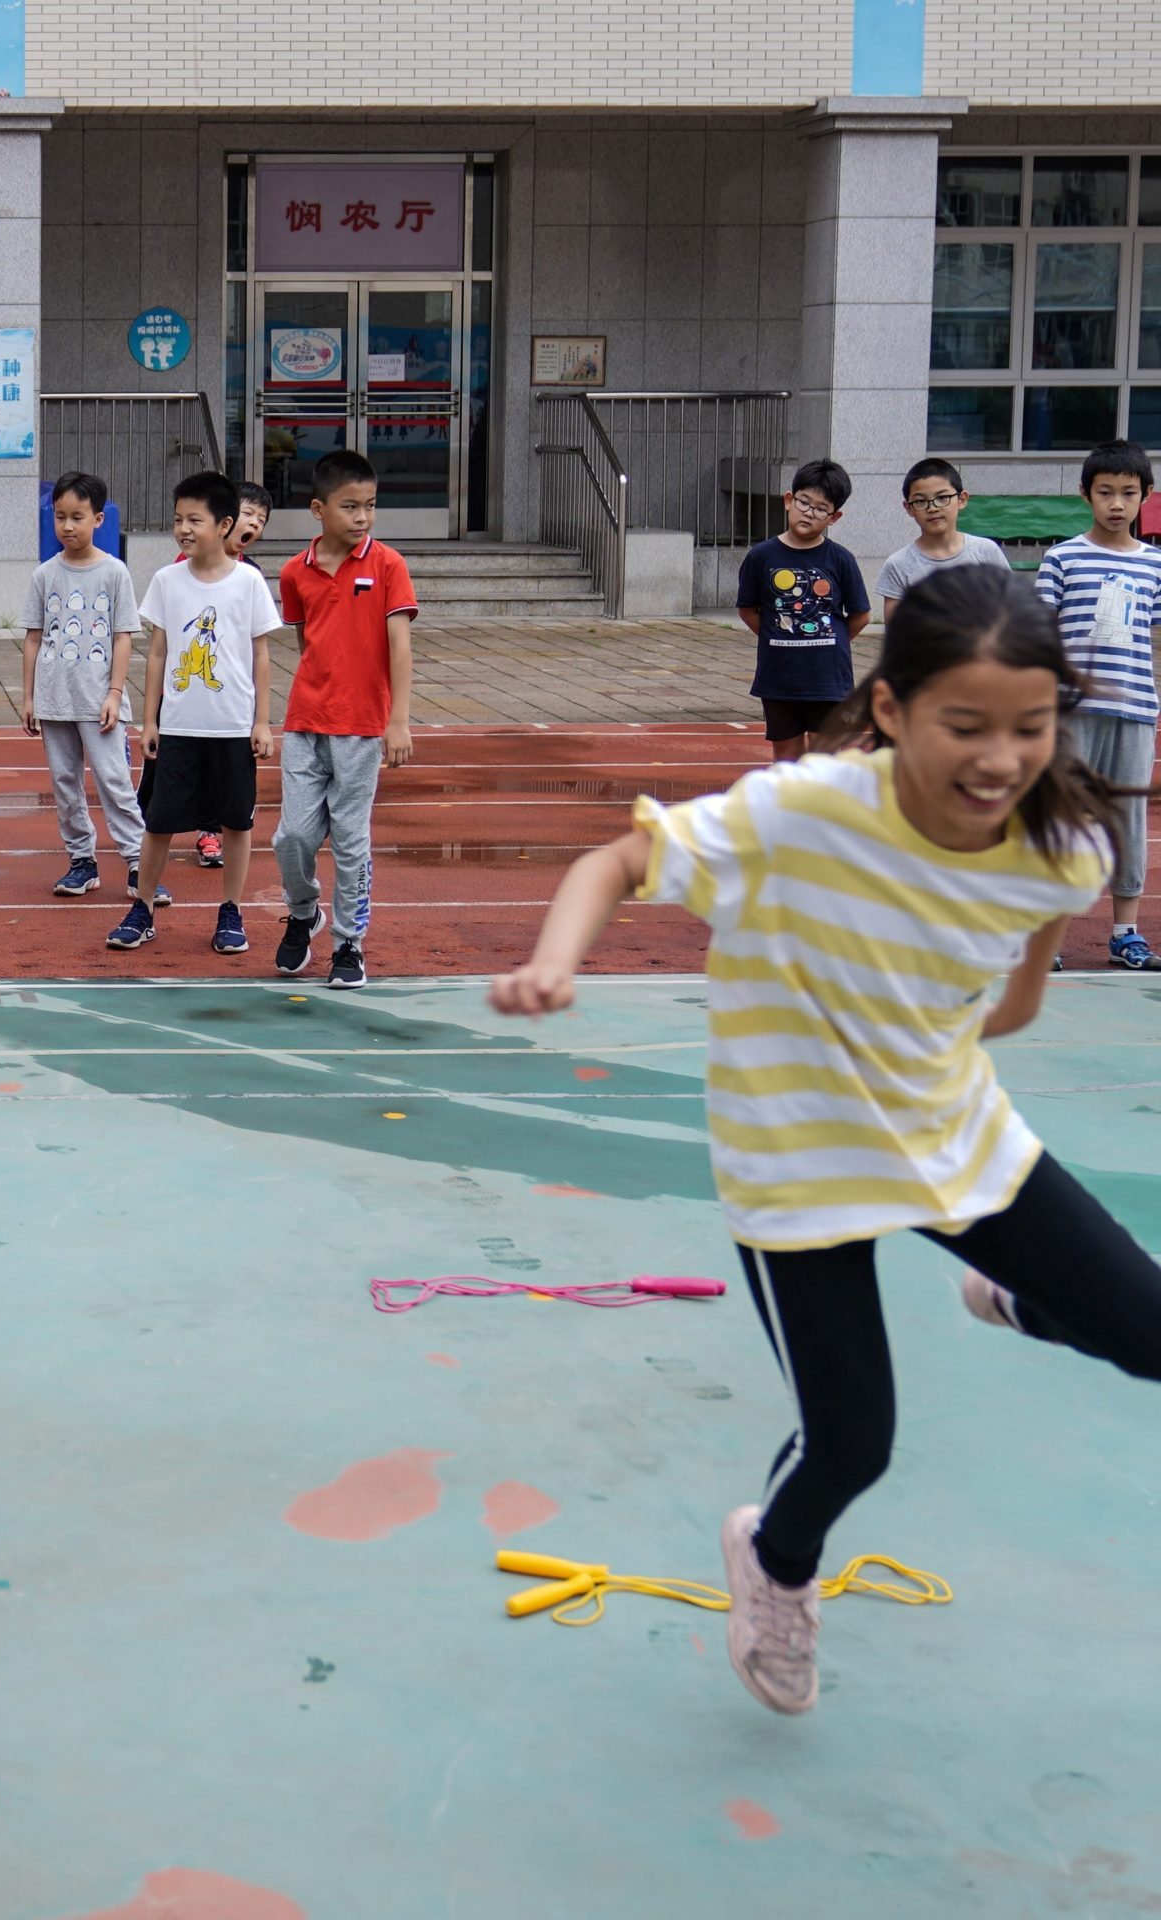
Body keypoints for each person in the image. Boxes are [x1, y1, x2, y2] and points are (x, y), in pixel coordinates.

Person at [489, 567, 1161, 1718]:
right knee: (853, 1443)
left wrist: (923, 1027)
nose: (1001, 759)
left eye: (1030, 726)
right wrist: (556, 962)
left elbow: (1016, 1006)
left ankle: (1005, 1290)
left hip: (950, 1134)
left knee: (1149, 1336)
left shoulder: (1063, 844)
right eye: (966, 727)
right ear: (892, 712)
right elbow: (616, 860)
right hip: (796, 1163)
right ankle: (775, 1562)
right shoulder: (801, 813)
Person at [107, 471, 280, 956]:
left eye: (195, 519)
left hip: (232, 727)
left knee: (236, 824)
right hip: (179, 725)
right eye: (178, 518)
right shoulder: (167, 580)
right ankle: (142, 908)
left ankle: (231, 910)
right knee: (159, 822)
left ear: (224, 524)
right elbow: (158, 653)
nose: (183, 528)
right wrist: (152, 720)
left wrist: (262, 721)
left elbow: (261, 654)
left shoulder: (248, 583)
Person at [273, 447, 417, 989]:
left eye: (370, 506)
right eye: (350, 506)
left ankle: (349, 944)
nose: (362, 517)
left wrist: (396, 721)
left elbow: (399, 646)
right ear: (318, 509)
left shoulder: (387, 566)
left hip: (361, 728)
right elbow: (308, 638)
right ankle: (304, 911)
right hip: (306, 722)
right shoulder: (294, 573)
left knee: (352, 841)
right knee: (292, 838)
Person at [1035, 438, 1161, 969]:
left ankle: (1126, 933)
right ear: (1085, 494)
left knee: (1127, 819)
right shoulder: (1062, 558)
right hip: (1070, 712)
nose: (1116, 503)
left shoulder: (1156, 564)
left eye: (1128, 493)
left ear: (1145, 498)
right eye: (1105, 491)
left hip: (1134, 712)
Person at [22, 471, 143, 898]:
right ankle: (82, 862)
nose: (68, 526)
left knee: (115, 781)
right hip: (55, 699)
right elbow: (34, 638)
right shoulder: (44, 575)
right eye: (60, 516)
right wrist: (30, 697)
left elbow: (122, 635)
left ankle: (138, 864)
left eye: (77, 516)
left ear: (98, 519)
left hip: (99, 701)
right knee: (65, 783)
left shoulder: (114, 573)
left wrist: (114, 692)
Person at [736, 459, 871, 761]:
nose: (809, 512)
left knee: (826, 760)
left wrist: (833, 640)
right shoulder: (761, 556)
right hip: (779, 678)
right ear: (788, 500)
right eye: (803, 502)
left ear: (834, 516)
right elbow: (747, 610)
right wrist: (777, 632)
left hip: (829, 680)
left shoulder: (841, 559)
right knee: (787, 760)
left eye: (821, 508)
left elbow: (861, 615)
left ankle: (824, 810)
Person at [190, 481, 275, 872]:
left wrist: (261, 714)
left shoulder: (252, 575)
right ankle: (192, 828)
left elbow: (259, 647)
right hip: (193, 690)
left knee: (231, 774)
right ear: (224, 519)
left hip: (234, 694)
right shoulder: (187, 565)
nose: (254, 525)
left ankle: (217, 832)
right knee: (192, 770)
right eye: (248, 515)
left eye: (261, 520)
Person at [877, 457, 1010, 624]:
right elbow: (895, 632)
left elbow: (1010, 608)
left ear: (961, 499)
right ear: (908, 508)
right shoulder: (898, 564)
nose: (932, 508)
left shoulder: (986, 551)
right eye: (920, 501)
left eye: (942, 498)